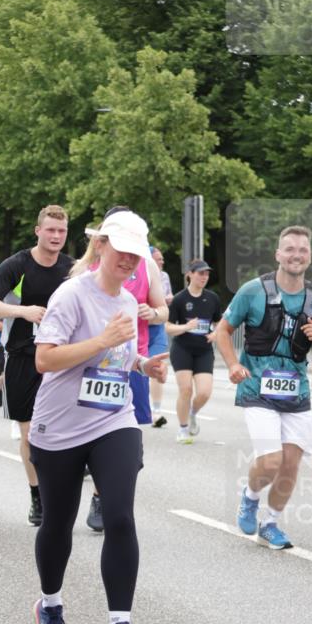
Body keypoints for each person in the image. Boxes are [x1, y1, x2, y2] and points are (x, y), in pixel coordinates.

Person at [30, 209, 168, 624]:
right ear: (102, 246)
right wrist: (103, 339)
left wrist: (141, 364)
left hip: (113, 419)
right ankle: (50, 606)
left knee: (120, 515)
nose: (129, 261)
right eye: (122, 250)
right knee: (57, 523)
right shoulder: (71, 294)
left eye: (137, 254)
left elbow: (115, 355)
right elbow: (45, 361)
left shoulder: (129, 302)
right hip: (60, 425)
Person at [215, 225, 312, 550]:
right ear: (278, 254)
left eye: (302, 250)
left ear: (309, 256)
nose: (296, 255)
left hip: (296, 391)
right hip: (257, 387)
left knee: (290, 464)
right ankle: (250, 496)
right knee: (271, 460)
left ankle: (270, 523)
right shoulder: (253, 291)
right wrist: (232, 364)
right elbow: (223, 330)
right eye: (290, 249)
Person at [71, 208, 169, 532]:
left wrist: (150, 312)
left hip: (131, 359)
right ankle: (82, 476)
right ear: (103, 239)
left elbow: (163, 310)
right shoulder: (84, 269)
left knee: (128, 440)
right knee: (91, 430)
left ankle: (102, 494)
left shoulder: (146, 265)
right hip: (91, 362)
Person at [0, 205, 72, 526]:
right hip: (23, 358)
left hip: (62, 360)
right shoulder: (18, 264)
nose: (56, 236)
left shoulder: (72, 269)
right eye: (50, 230)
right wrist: (23, 312)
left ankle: (60, 491)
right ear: (38, 231)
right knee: (30, 433)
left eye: (61, 231)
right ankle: (37, 496)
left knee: (63, 433)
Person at [166, 259, 221, 444]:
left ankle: (192, 413)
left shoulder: (212, 298)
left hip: (204, 350)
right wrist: (186, 326)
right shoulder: (179, 299)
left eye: (206, 274)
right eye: (200, 273)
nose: (204, 277)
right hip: (182, 349)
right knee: (186, 390)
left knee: (204, 392)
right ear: (190, 274)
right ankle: (182, 429)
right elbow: (167, 327)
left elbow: (219, 322)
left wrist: (215, 333)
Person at [148, 247, 173, 427]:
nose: (162, 262)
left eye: (163, 259)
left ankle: (156, 411)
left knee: (156, 368)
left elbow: (167, 299)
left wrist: (165, 302)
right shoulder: (136, 272)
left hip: (157, 329)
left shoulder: (164, 277)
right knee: (136, 371)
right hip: (139, 328)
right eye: (158, 259)